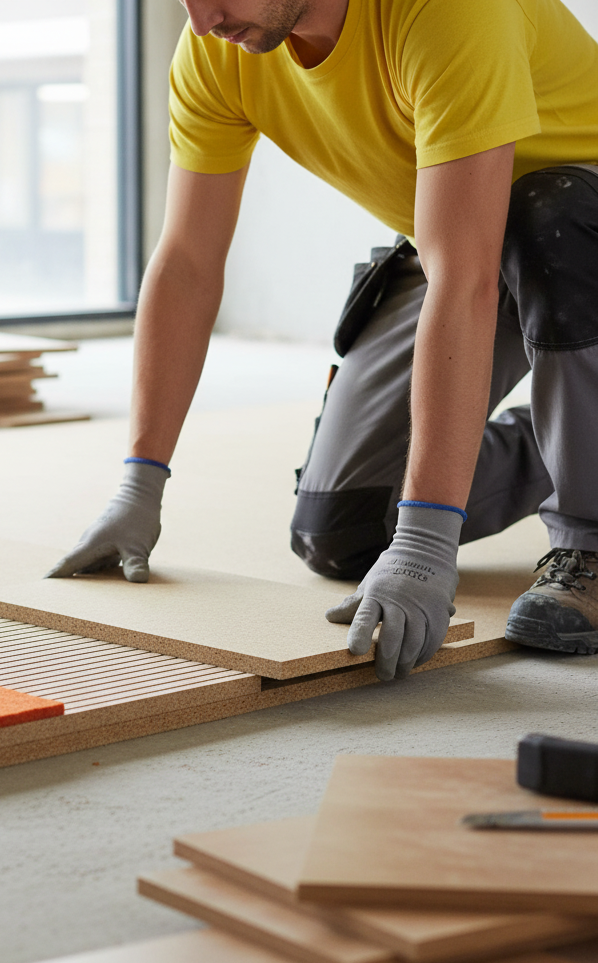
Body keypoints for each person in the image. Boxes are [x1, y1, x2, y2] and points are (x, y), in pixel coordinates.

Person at [47, 0, 598, 681]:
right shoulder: (219, 50)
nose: (203, 20)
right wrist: (140, 483)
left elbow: (464, 279)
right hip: (466, 241)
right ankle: (580, 438)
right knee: (342, 529)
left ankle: (589, 548)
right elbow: (187, 262)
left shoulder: (449, 11)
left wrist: (428, 542)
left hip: (571, 229)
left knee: (549, 215)